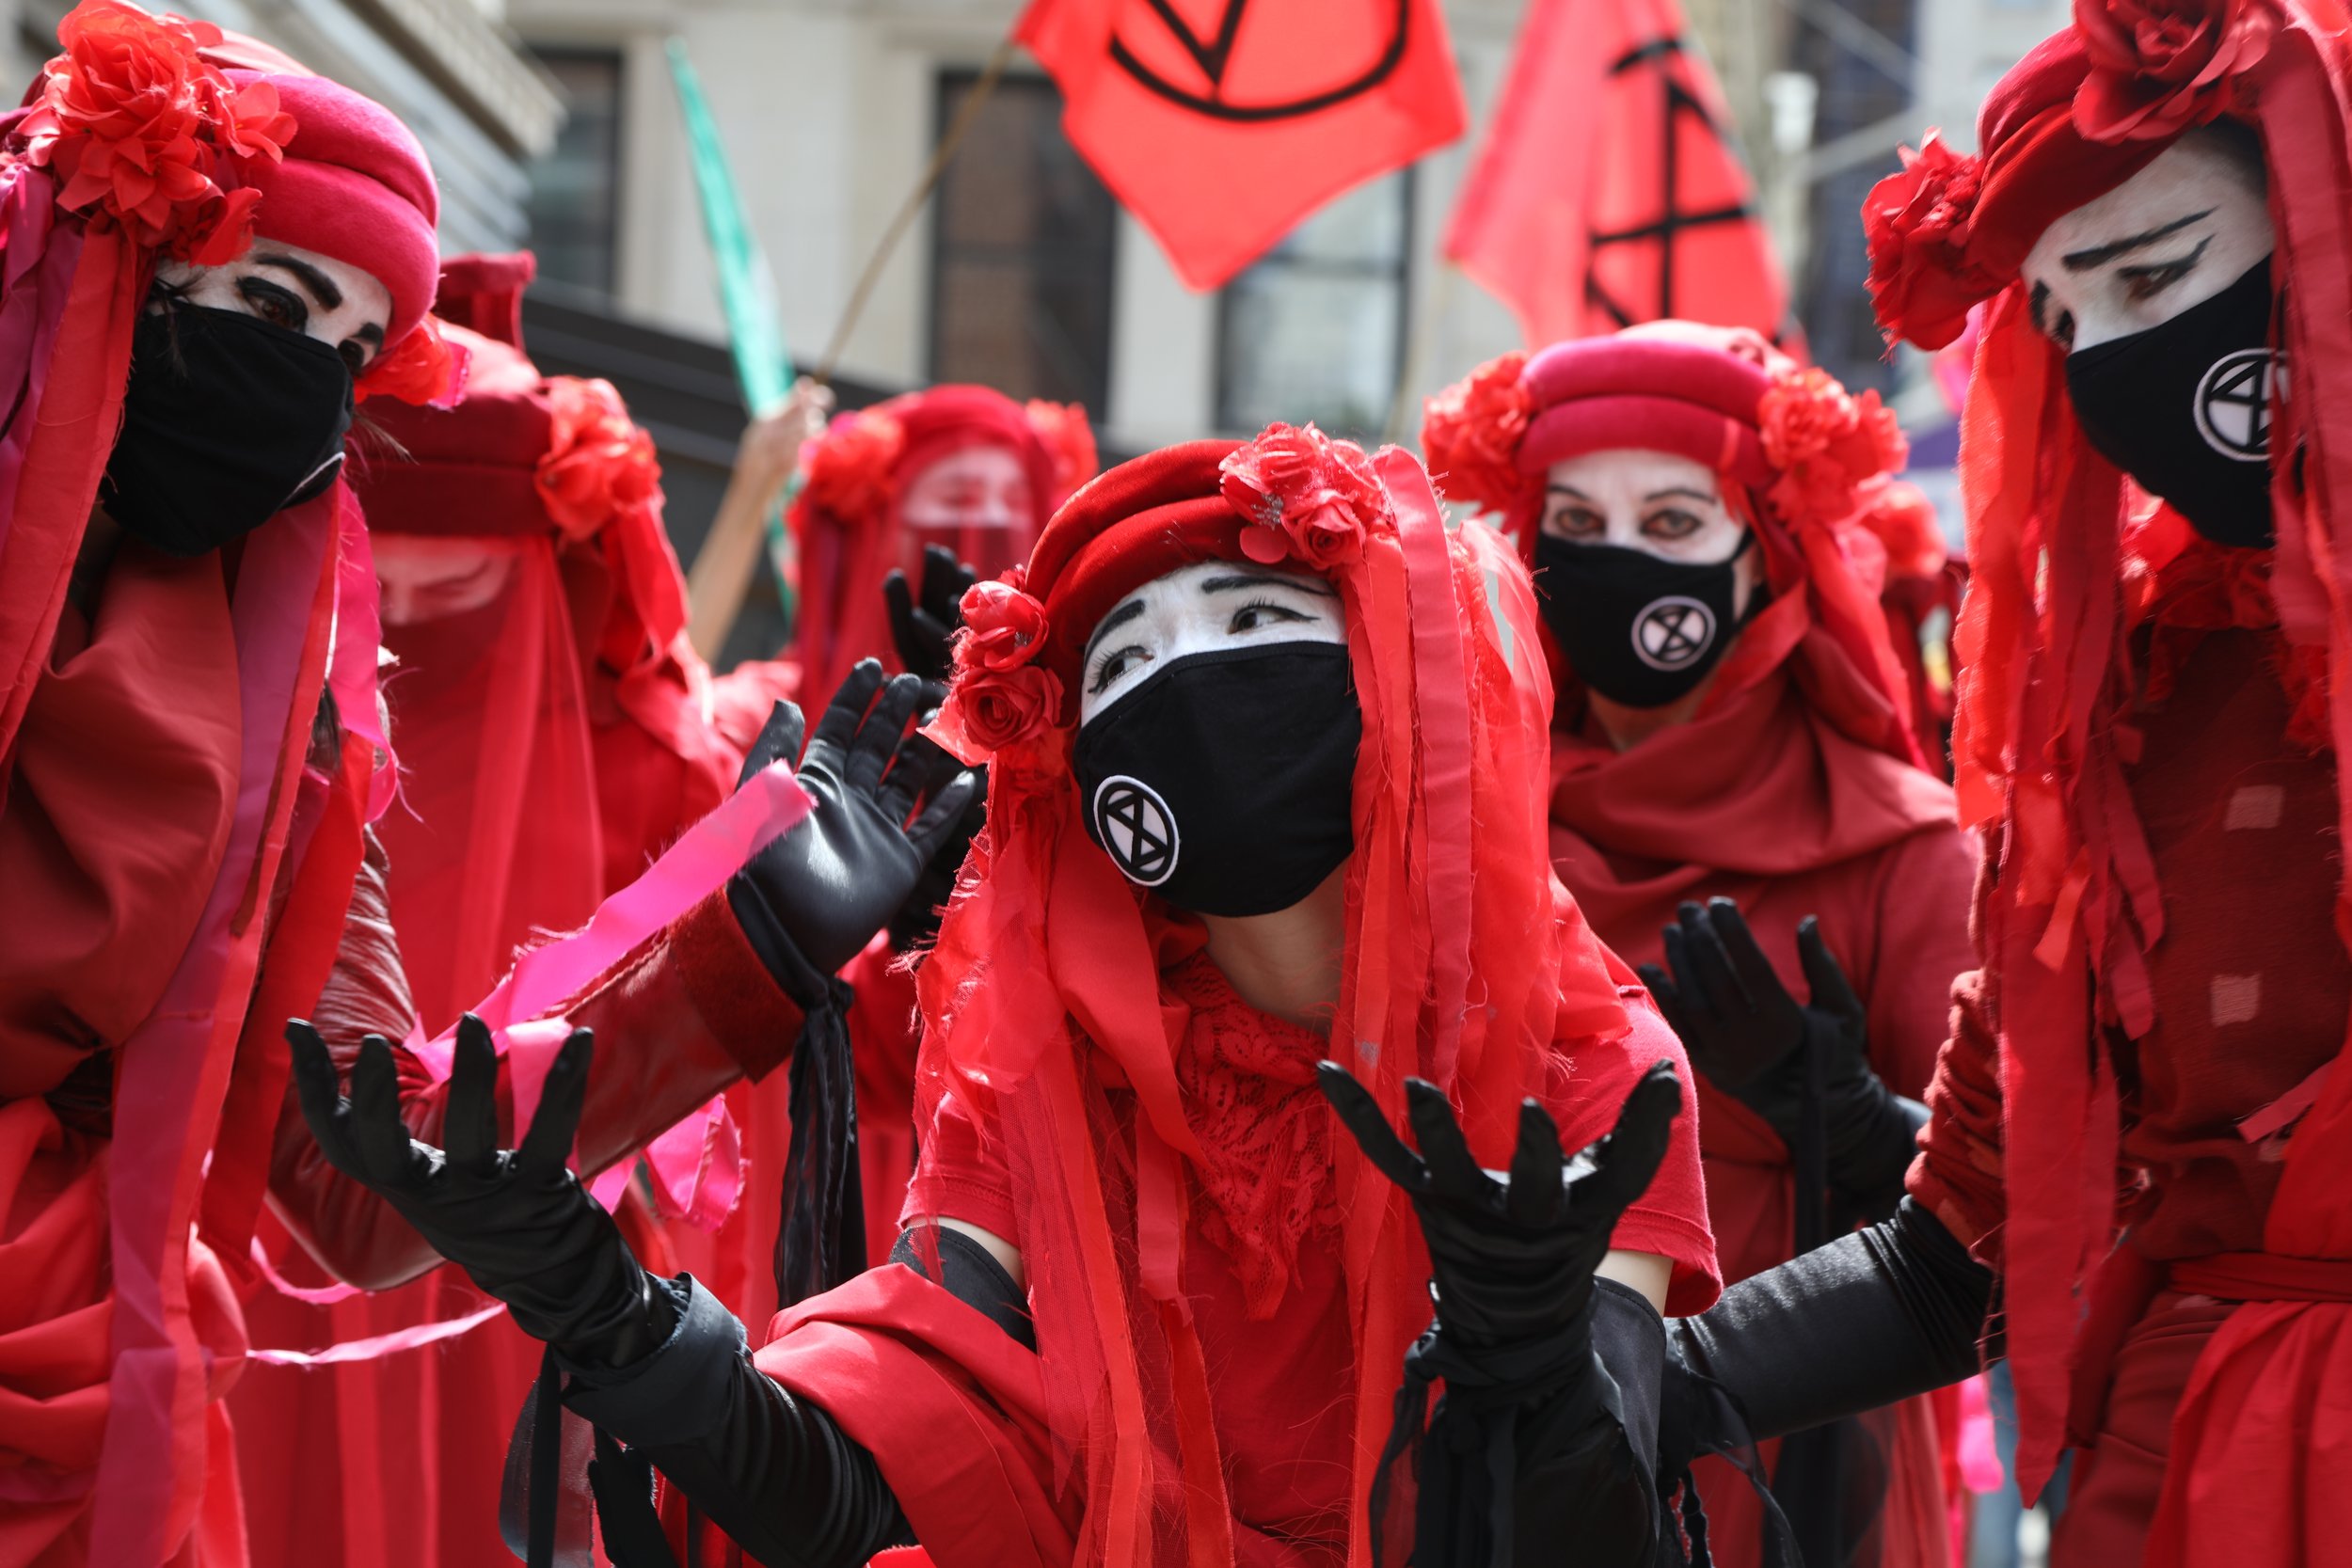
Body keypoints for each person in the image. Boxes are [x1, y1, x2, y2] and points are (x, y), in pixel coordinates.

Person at [289, 426, 1723, 1566]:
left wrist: (1537, 1349)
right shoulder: (1044, 1069)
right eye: (1126, 661)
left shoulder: (1585, 1049)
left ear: (1390, 670)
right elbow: (863, 1487)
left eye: (1248, 614)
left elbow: (1584, 1533)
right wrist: (596, 1298)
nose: (1188, 679)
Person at [0, 8, 971, 1562]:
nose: (296, 383)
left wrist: (748, 946)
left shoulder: (290, 717)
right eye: (268, 299)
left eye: (344, 347)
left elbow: (363, 1157)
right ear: (103, 271)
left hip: (88, 1397)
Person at [1659, 4, 2352, 1565]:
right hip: (2169, 1482)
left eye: (2157, 277)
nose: (2116, 357)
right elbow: (1959, 1246)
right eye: (2064, 317)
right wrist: (1638, 1371)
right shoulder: (2132, 700)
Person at [229, 251, 815, 1568]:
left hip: (555, 1276)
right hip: (283, 1253)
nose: (424, 623)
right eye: (400, 583)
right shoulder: (258, 763)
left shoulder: (661, 769)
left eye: (471, 582)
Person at [1422, 325, 1976, 1567]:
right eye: (1576, 517)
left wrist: (1844, 1116)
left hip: (1782, 1451)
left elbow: (2001, 1233)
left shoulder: (1905, 848)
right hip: (1489, 1439)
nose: (1617, 558)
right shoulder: (1457, 824)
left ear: (1762, 556)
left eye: (1673, 522)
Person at [697, 383, 1098, 1328]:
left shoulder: (1083, 751)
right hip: (798, 1148)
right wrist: (748, 496)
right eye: (938, 515)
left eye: (1002, 521)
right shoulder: (768, 723)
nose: (971, 540)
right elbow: (648, 694)